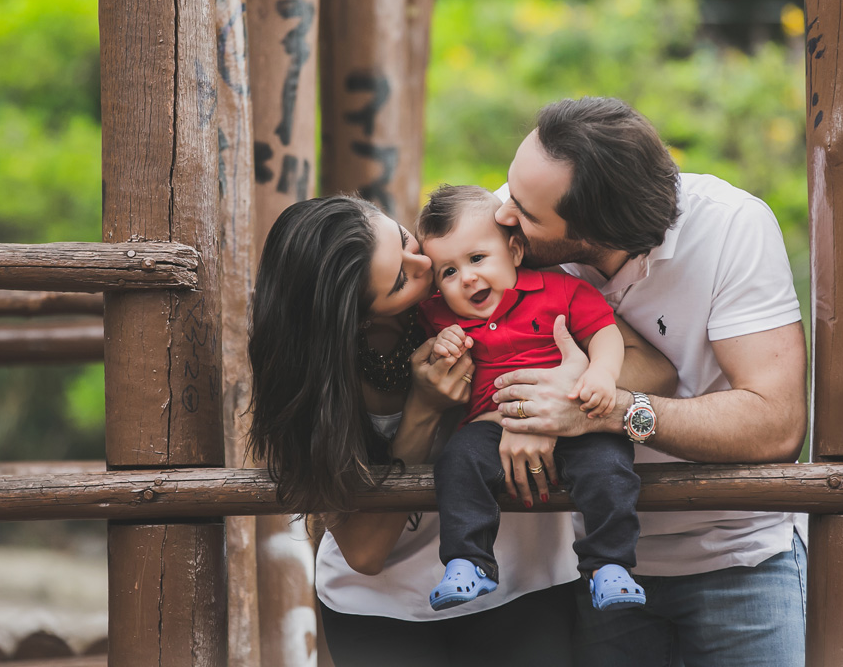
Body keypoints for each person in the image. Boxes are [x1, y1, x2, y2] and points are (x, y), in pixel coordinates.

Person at [489, 97, 809, 667]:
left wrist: (609, 409)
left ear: (594, 233)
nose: (502, 215)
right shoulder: (510, 221)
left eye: (526, 213)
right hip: (594, 561)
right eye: (510, 190)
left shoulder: (731, 227)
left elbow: (776, 423)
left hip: (740, 557)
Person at [245, 195, 593, 667]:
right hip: (379, 610)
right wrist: (423, 412)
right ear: (360, 317)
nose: (425, 265)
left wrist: (544, 404)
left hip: (524, 581)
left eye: (405, 240)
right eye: (400, 280)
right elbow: (364, 552)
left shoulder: (478, 256)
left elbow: (644, 362)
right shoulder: (315, 376)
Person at [415, 184, 645, 613]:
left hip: (574, 416)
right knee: (458, 461)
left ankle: (609, 565)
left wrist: (601, 372)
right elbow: (427, 357)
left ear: (515, 251)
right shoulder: (440, 316)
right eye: (448, 272)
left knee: (610, 466)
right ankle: (468, 560)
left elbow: (604, 333)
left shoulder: (561, 291)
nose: (466, 278)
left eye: (477, 258)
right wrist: (441, 343)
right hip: (493, 425)